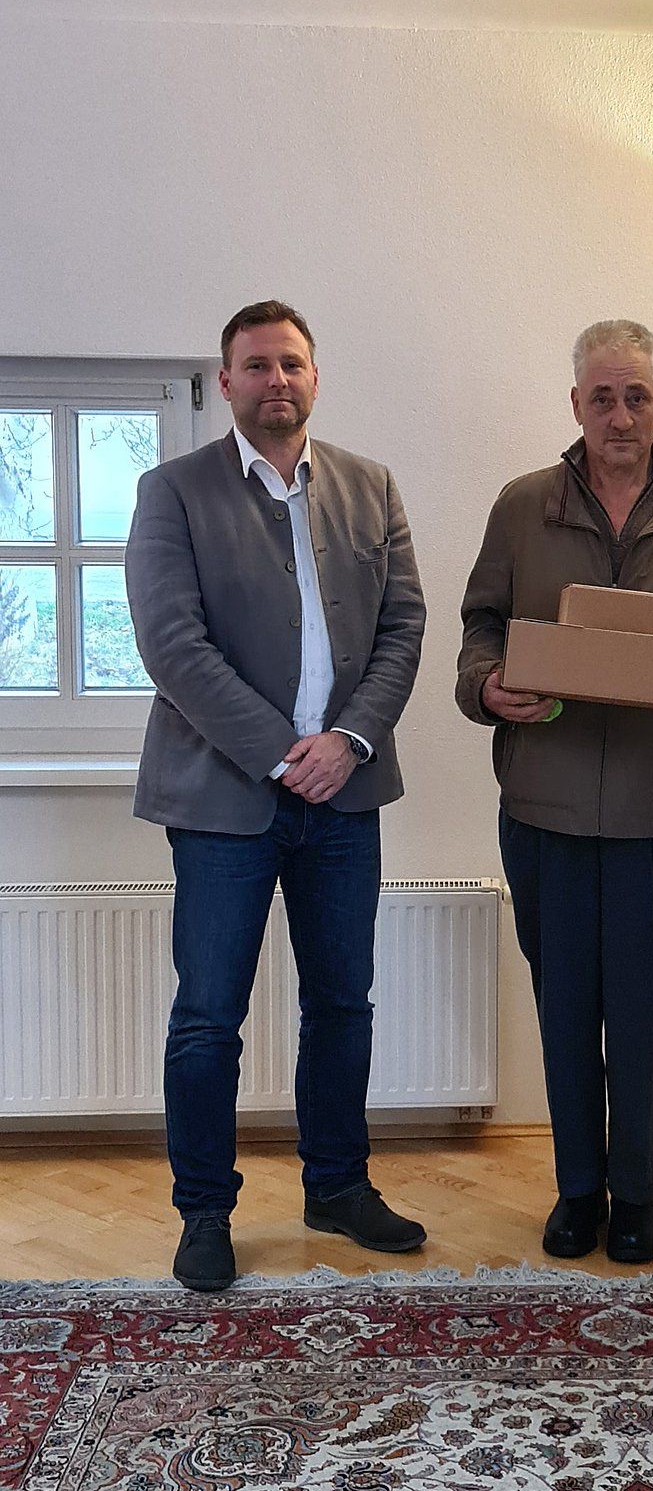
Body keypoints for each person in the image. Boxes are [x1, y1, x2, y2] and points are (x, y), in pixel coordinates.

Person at [126, 299, 427, 1293]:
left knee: (344, 1003)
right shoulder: (171, 493)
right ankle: (204, 1211)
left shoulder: (369, 487)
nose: (275, 381)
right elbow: (173, 648)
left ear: (314, 373)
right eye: (254, 366)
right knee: (209, 1016)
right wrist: (281, 754)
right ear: (226, 382)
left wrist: (345, 742)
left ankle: (337, 1188)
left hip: (345, 795)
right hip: (224, 801)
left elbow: (403, 628)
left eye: (290, 363)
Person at [456, 319, 653, 1263]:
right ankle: (576, 1190)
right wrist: (487, 687)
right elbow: (477, 634)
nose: (620, 413)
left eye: (637, 395)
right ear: (576, 405)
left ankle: (636, 1194)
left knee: (640, 1011)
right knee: (562, 1006)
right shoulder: (521, 507)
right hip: (542, 804)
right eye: (602, 396)